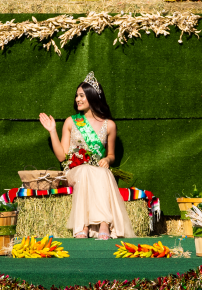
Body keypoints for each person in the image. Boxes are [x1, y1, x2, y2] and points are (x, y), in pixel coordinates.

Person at [39, 72, 134, 240]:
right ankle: (83, 225)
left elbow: (111, 154)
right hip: (74, 171)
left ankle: (104, 223)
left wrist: (107, 159)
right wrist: (52, 131)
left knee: (104, 172)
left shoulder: (109, 125)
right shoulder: (71, 121)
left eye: (82, 95)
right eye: (77, 96)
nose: (77, 99)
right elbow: (62, 157)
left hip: (97, 170)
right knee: (85, 171)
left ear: (93, 97)